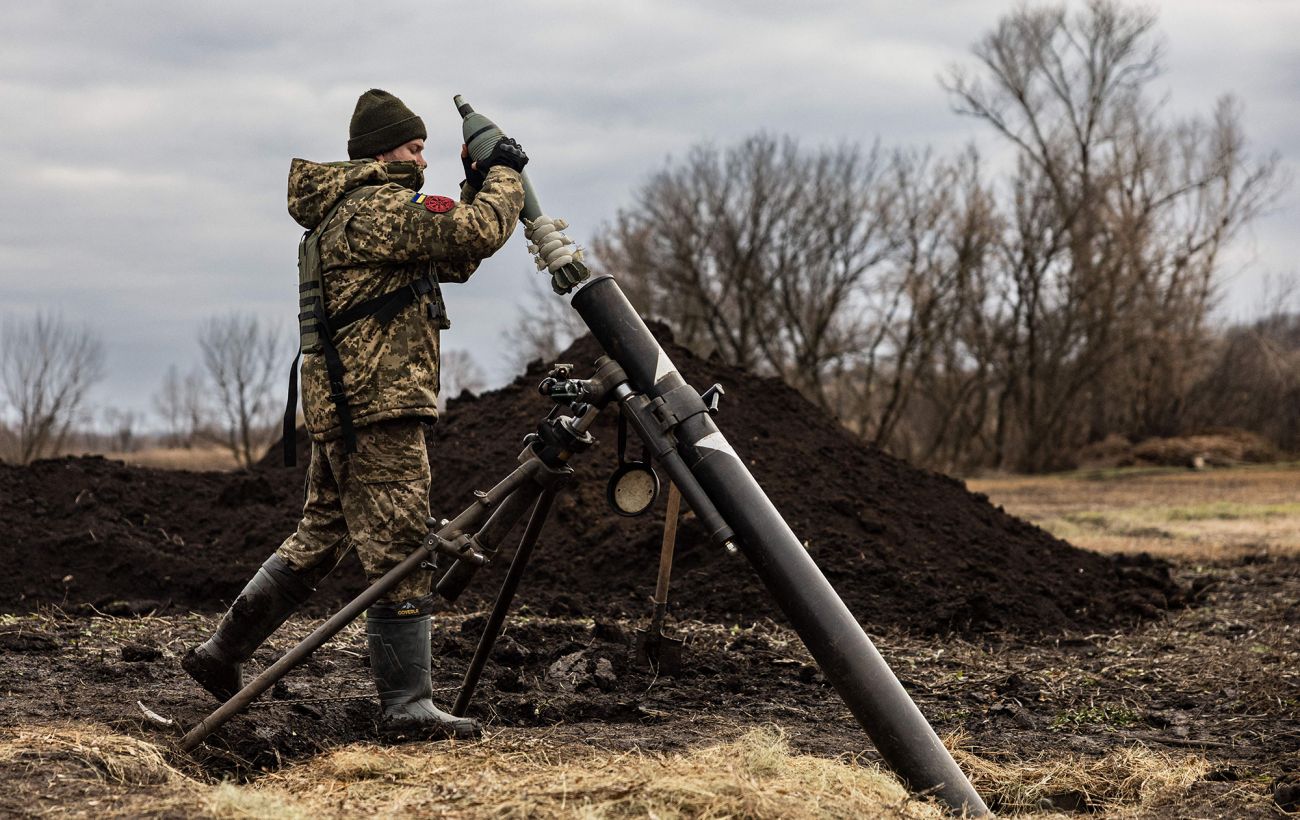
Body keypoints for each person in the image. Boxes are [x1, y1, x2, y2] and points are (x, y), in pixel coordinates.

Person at [182, 88, 526, 740]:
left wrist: (476, 181)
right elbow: (475, 228)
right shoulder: (373, 207)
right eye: (415, 147)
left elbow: (456, 254)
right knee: (401, 552)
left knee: (318, 538)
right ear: (383, 150)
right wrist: (505, 176)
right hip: (377, 408)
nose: (422, 160)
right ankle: (407, 707)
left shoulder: (352, 212)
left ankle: (219, 656)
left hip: (349, 405)